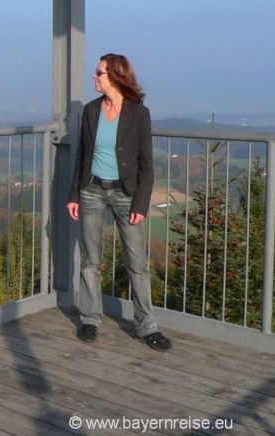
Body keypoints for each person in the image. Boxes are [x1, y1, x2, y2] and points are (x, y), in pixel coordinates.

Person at [66, 53, 171, 351]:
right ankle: (90, 319)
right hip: (92, 191)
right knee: (90, 261)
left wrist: (141, 204)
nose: (94, 77)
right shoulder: (89, 111)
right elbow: (82, 158)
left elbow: (147, 165)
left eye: (98, 72)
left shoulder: (139, 114)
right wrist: (74, 195)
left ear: (114, 76)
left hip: (126, 195)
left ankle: (147, 327)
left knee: (137, 263)